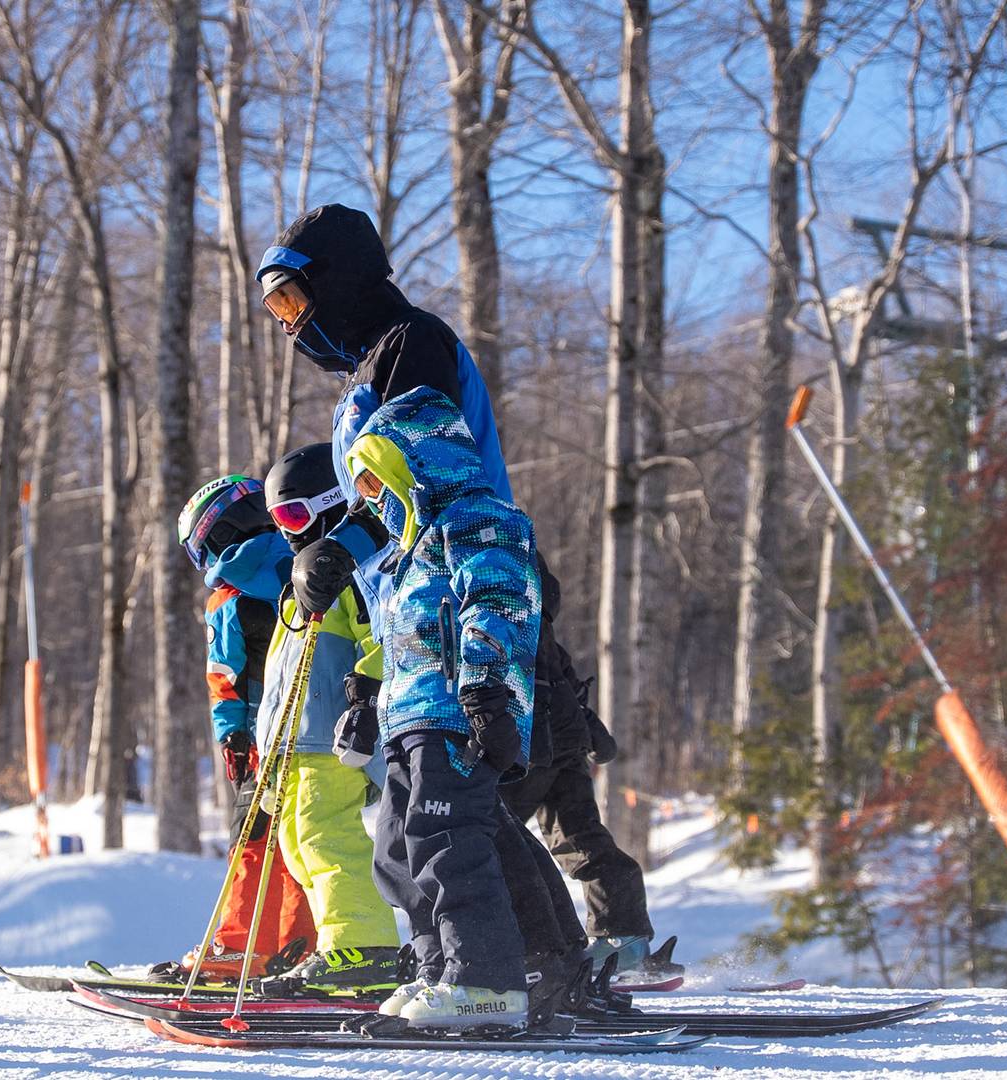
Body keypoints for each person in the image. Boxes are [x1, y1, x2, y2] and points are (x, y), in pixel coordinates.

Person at [257, 206, 622, 1008]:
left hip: (466, 604)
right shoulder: (368, 372)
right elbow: (390, 497)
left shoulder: (408, 346)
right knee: (419, 827)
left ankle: (501, 971)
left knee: (448, 816)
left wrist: (350, 543)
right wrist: (343, 560)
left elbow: (424, 478)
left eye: (291, 299)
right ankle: (519, 966)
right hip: (413, 618)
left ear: (334, 279)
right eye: (275, 311)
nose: (290, 327)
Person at [288, 384, 542, 1031]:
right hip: (411, 719)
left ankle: (485, 980)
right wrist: (370, 697)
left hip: (459, 713)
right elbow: (396, 638)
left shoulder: (479, 520)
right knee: (396, 850)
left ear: (415, 465)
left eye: (376, 482)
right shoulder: (407, 551)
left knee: (448, 842)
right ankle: (440, 968)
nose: (370, 500)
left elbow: (497, 603)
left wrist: (486, 689)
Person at [251, 444, 402, 996]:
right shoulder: (303, 588)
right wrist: (267, 758)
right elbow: (280, 685)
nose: (288, 531)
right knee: (296, 845)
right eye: (278, 520)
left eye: (293, 515)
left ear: (331, 503)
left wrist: (367, 701)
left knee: (325, 838)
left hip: (333, 740)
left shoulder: (352, 575)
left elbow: (382, 640)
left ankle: (365, 945)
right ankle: (339, 945)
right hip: (295, 745)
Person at [159, 474, 315, 982]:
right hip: (316, 730)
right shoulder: (309, 564)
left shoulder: (227, 594)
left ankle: (238, 948)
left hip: (262, 734)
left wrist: (231, 734)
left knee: (252, 839)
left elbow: (225, 675)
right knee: (304, 839)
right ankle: (303, 945)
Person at [503, 562, 656, 973]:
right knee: (579, 837)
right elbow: (563, 679)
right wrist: (587, 727)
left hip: (531, 741)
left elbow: (548, 680)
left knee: (497, 840)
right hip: (563, 741)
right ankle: (620, 937)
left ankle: (540, 948)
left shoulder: (500, 615)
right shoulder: (538, 625)